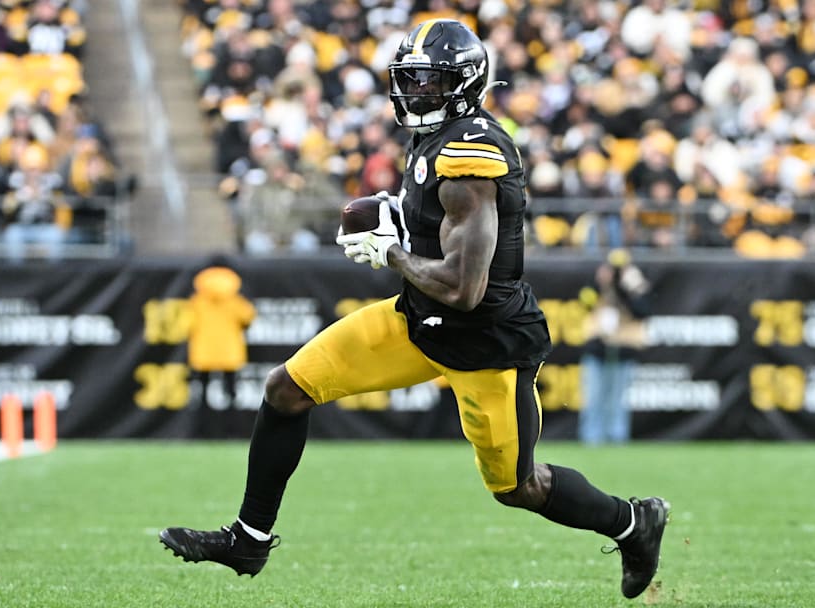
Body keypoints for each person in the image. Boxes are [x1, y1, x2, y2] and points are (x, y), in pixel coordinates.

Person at [159, 20, 669, 600]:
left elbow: (464, 288)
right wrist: (403, 223)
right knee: (287, 389)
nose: (414, 92)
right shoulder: (433, 137)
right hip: (417, 321)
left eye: (427, 81)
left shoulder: (469, 156)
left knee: (518, 486)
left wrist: (393, 251)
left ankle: (634, 523)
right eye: (409, 79)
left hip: (484, 342)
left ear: (464, 83)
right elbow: (438, 239)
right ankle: (247, 541)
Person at [579, 250, 651, 445]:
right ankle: (591, 438)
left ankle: (617, 438)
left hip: (623, 349)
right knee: (594, 397)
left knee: (617, 400)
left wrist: (630, 287)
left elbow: (643, 311)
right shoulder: (598, 282)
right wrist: (599, 282)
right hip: (598, 348)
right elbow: (584, 302)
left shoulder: (635, 284)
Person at [187, 264, 256, 411]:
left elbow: (186, 323)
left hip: (203, 350)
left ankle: (202, 425)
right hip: (229, 350)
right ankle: (230, 426)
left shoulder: (197, 301)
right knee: (230, 389)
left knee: (203, 389)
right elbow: (248, 317)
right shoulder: (235, 301)